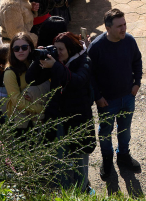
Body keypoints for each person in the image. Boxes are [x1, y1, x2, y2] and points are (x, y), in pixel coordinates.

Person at [31, 32, 96, 192]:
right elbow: (31, 78)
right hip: (58, 118)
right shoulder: (55, 62)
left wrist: (55, 66)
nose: (57, 53)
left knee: (80, 157)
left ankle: (82, 190)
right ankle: (66, 192)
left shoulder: (84, 61)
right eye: (55, 49)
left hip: (78, 119)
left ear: (70, 49)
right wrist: (38, 59)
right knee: (61, 159)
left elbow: (77, 80)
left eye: (61, 49)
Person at [88, 8, 142, 180]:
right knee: (105, 132)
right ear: (108, 28)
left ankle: (123, 156)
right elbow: (90, 76)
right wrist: (97, 96)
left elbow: (137, 61)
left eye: (124, 24)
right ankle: (107, 160)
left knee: (125, 130)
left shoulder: (130, 41)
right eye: (119, 26)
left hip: (127, 97)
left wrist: (137, 83)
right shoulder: (96, 48)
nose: (123, 28)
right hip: (107, 101)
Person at [3, 32, 47, 127]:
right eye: (16, 49)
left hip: (37, 118)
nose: (20, 51)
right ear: (12, 51)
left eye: (24, 47)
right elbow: (17, 101)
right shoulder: (10, 72)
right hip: (21, 120)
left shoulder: (35, 64)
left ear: (30, 48)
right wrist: (41, 108)